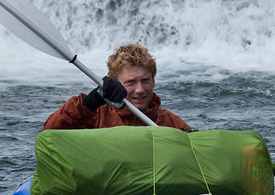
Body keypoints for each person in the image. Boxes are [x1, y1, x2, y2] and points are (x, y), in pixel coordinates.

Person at [44, 44, 194, 131]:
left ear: (154, 81)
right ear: (115, 82)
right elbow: (50, 132)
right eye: (130, 82)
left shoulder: (169, 124)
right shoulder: (95, 116)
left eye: (145, 80)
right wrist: (89, 103)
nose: (140, 89)